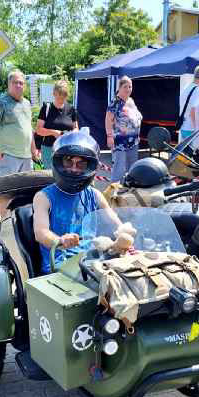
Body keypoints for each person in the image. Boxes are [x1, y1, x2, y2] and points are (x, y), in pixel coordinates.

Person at [33, 129, 120, 274]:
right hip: (60, 266)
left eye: (81, 164)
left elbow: (115, 223)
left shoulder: (94, 194)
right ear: (59, 162)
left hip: (93, 261)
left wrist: (126, 235)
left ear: (90, 166)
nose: (73, 169)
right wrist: (60, 241)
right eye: (68, 162)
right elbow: (41, 232)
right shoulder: (43, 197)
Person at [0, 69, 40, 183]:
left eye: (21, 83)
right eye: (15, 82)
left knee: (25, 190)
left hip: (27, 157)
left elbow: (28, 129)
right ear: (9, 84)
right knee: (8, 189)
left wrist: (33, 151)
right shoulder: (1, 103)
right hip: (9, 156)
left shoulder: (27, 103)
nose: (18, 85)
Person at [105, 76, 142, 183]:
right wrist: (109, 136)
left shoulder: (131, 100)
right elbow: (108, 119)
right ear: (119, 88)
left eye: (130, 86)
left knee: (133, 169)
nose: (128, 89)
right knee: (119, 170)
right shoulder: (116, 102)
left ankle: (130, 190)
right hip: (119, 143)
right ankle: (114, 191)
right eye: (125, 86)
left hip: (133, 142)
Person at [35, 80, 78, 169]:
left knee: (65, 174)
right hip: (49, 149)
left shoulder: (71, 109)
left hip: (67, 149)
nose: (62, 99)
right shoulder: (46, 108)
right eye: (59, 96)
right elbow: (38, 130)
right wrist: (54, 132)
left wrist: (72, 133)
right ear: (54, 94)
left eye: (64, 96)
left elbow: (76, 128)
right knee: (50, 175)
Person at [178, 65, 199, 142]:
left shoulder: (187, 87)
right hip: (191, 129)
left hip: (184, 127)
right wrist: (196, 129)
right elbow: (193, 111)